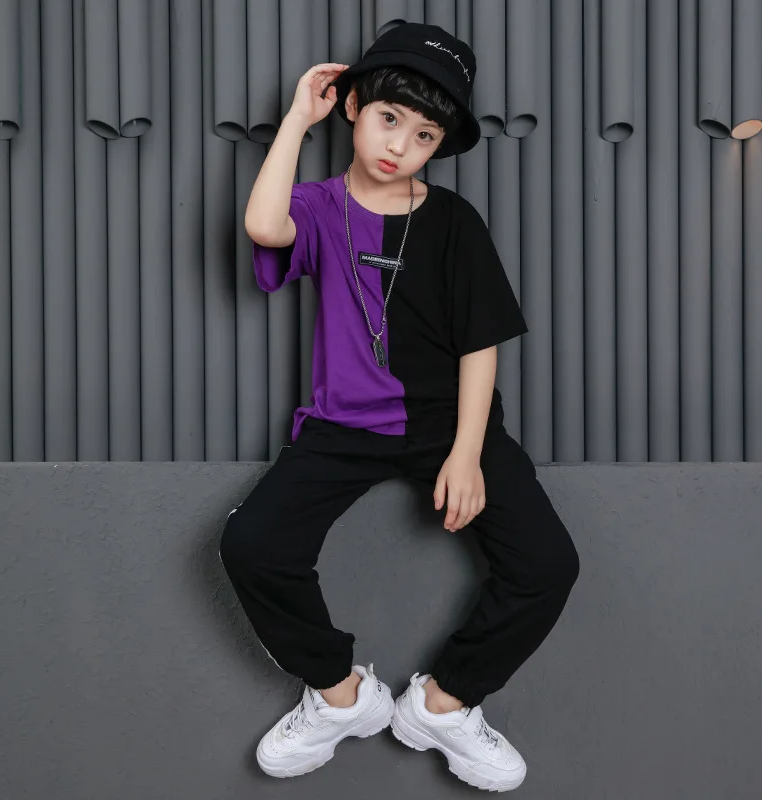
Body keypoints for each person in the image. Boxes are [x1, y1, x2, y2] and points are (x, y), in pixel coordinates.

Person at [220, 22, 579, 793]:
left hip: (449, 425)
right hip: (342, 426)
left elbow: (481, 343)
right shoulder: (319, 207)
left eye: (423, 136)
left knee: (548, 564)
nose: (399, 146)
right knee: (252, 545)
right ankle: (339, 696)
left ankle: (444, 706)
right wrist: (297, 119)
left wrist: (468, 454)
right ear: (353, 106)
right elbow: (263, 225)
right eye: (388, 118)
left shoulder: (452, 222)